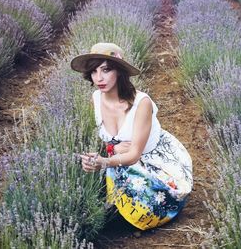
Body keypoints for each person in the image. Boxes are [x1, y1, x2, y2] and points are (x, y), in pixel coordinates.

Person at [71, 42, 193, 230]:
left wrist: (104, 160)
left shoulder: (141, 103)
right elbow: (102, 141)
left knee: (146, 206)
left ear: (119, 71)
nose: (99, 78)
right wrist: (109, 150)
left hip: (152, 162)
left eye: (106, 70)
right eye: (94, 72)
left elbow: (134, 154)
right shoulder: (96, 98)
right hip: (117, 158)